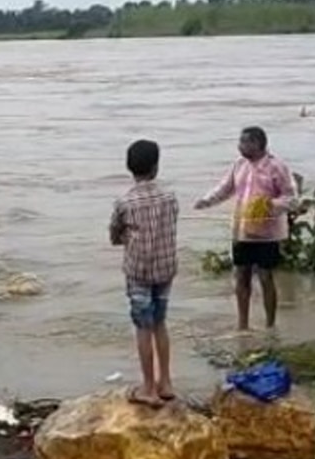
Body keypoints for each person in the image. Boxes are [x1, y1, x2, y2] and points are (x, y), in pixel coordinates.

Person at [194, 126, 295, 332]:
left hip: (267, 233)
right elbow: (225, 188)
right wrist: (206, 201)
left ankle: (270, 324)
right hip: (242, 231)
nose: (240, 146)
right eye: (240, 142)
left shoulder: (277, 167)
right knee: (241, 276)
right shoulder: (239, 165)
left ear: (257, 144)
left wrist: (270, 205)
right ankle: (242, 324)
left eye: (244, 142)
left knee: (266, 277)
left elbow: (292, 198)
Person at [110, 139, 180, 408]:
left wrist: (127, 237)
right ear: (156, 167)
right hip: (165, 268)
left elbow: (115, 234)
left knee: (143, 326)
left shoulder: (125, 201)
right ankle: (166, 382)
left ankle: (148, 387)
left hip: (138, 271)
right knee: (160, 323)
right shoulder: (170, 197)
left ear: (130, 167)